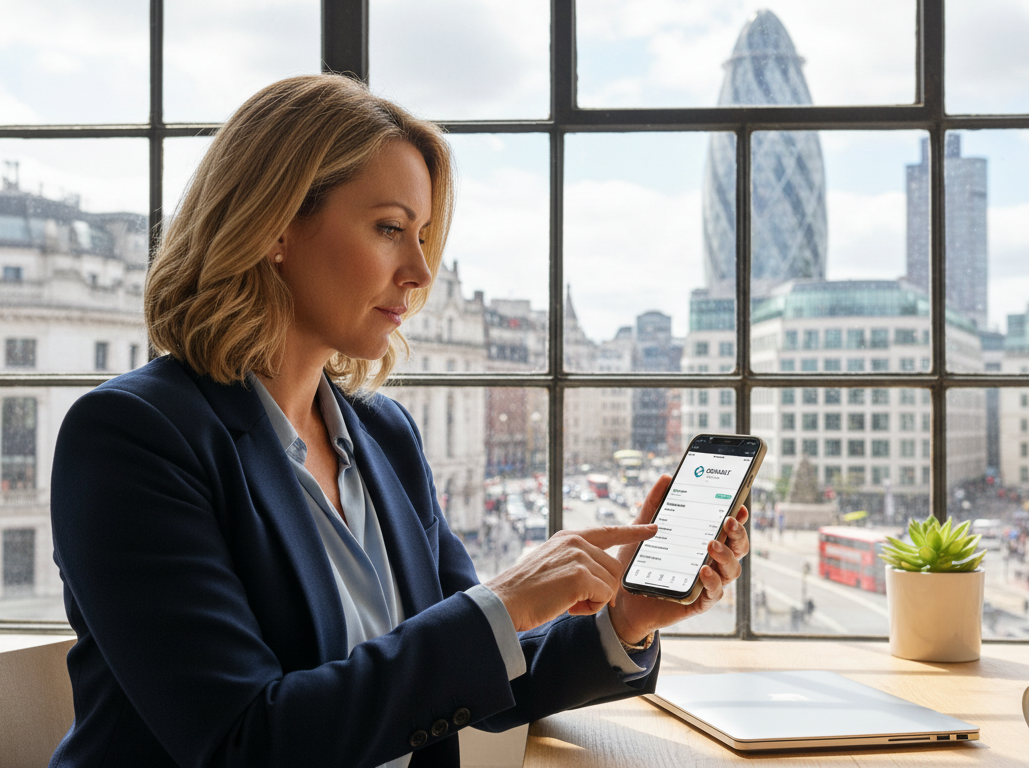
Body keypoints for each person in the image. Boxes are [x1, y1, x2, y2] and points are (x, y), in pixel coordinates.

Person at [48, 74, 749, 768]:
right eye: (389, 229)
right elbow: (244, 742)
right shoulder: (130, 439)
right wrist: (501, 603)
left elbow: (470, 675)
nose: (419, 272)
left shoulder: (383, 435)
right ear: (274, 228)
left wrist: (625, 618)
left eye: (422, 236)